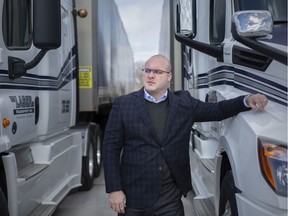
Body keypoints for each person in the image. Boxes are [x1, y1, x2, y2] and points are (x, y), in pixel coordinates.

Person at [102, 54, 268, 216]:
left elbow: (218, 110)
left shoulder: (184, 103)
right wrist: (115, 189)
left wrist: (246, 101)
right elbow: (110, 148)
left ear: (169, 76)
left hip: (170, 198)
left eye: (157, 72)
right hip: (134, 197)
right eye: (147, 70)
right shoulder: (124, 105)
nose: (151, 75)